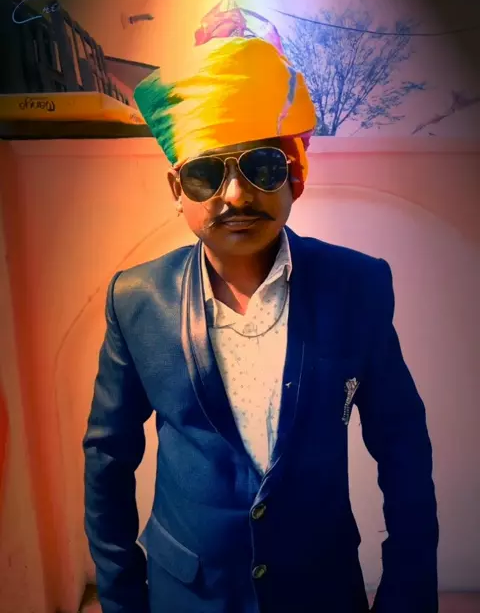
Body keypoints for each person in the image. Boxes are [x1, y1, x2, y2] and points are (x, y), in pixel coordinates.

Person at [83, 36, 439, 613]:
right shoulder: (137, 300)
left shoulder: (357, 288)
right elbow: (107, 458)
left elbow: (403, 446)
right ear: (176, 189)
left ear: (292, 173)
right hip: (188, 594)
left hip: (320, 591)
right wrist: (122, 598)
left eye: (263, 166)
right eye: (206, 173)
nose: (236, 194)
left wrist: (407, 594)